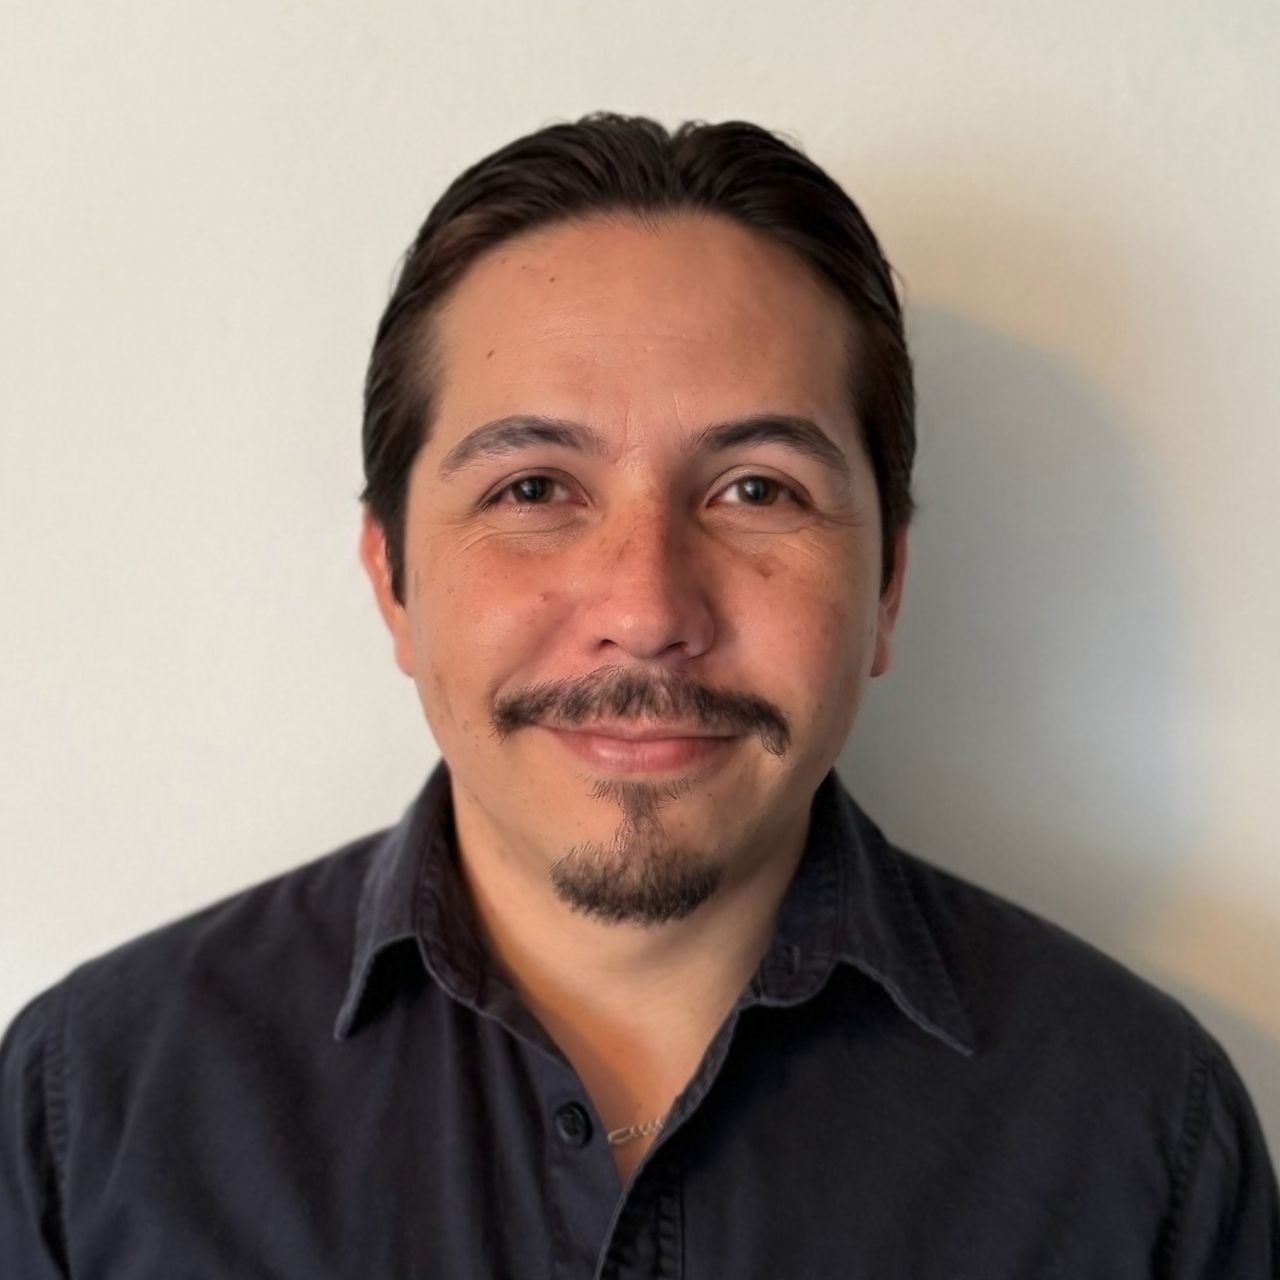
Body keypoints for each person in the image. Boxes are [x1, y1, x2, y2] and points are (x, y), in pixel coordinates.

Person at [1, 113, 1275, 1279]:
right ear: (392, 579)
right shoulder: (89, 1109)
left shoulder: (1141, 1134)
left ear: (886, 585)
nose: (648, 605)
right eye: (532, 489)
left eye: (756, 489)